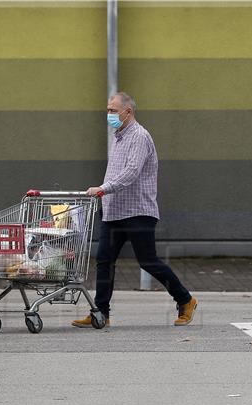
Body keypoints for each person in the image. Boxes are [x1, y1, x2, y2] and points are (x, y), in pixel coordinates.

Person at [73, 92, 197, 328]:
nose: (109, 114)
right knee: (104, 260)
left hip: (138, 211)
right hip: (114, 210)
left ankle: (186, 300)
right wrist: (105, 196)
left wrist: (103, 188)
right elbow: (117, 171)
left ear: (128, 112)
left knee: (148, 261)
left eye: (113, 110)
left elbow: (131, 173)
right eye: (108, 110)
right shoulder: (118, 137)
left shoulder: (139, 136)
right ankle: (101, 313)